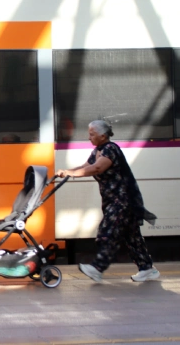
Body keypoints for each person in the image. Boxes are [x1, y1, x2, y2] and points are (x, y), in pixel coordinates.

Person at [55, 120, 160, 283]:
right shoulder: (98, 150)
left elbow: (97, 169)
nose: (89, 137)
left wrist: (70, 173)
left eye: (92, 134)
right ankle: (147, 269)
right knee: (132, 237)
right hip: (112, 200)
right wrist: (65, 172)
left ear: (103, 136)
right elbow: (86, 166)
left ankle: (98, 268)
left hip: (124, 199)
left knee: (109, 230)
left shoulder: (111, 149)